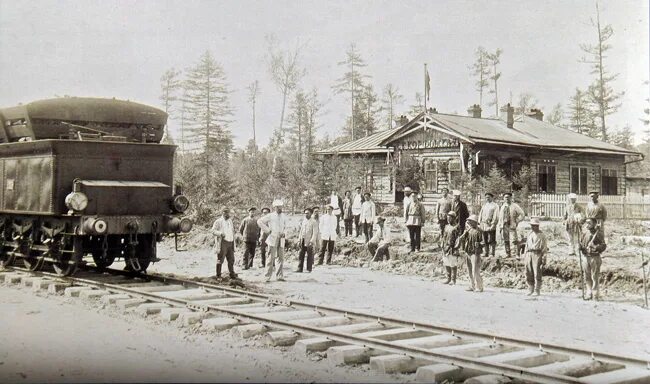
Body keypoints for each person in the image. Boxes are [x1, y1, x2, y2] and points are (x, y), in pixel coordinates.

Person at [257, 200, 288, 282]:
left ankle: (279, 276)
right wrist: (267, 230)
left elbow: (286, 226)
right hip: (273, 238)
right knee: (270, 258)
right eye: (278, 207)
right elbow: (259, 221)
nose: (280, 208)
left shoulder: (284, 216)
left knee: (280, 258)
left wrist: (284, 233)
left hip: (281, 238)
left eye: (281, 207)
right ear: (275, 207)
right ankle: (267, 276)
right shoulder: (270, 216)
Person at [579, 218, 607, 300]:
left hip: (594, 257)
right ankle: (589, 292)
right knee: (587, 276)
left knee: (594, 276)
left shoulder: (598, 234)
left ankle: (595, 294)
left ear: (594, 224)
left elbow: (603, 246)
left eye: (589, 223)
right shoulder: (584, 234)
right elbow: (581, 244)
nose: (587, 225)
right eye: (586, 223)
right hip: (585, 257)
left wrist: (596, 247)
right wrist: (580, 247)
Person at [523, 218, 548, 296]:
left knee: (537, 272)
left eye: (534, 226)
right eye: (532, 225)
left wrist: (544, 259)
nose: (533, 227)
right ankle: (530, 288)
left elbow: (544, 248)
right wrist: (525, 255)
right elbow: (526, 245)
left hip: (537, 254)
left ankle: (537, 290)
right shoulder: (530, 234)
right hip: (529, 253)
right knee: (528, 272)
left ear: (538, 226)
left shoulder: (542, 235)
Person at [459, 214, 483, 292]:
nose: (469, 223)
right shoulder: (468, 231)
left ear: (475, 222)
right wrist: (464, 233)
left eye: (471, 222)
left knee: (475, 270)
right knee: (469, 270)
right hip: (468, 251)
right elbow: (462, 239)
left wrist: (479, 244)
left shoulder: (479, 231)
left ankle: (479, 287)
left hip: (475, 253)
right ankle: (472, 285)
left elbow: (484, 242)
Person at [211, 207, 237, 279]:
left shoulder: (230, 221)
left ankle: (232, 274)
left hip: (230, 242)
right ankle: (218, 275)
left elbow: (232, 231)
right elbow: (213, 231)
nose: (227, 214)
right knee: (220, 259)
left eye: (228, 212)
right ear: (222, 213)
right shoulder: (218, 221)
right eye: (225, 212)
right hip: (223, 242)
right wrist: (220, 233)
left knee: (231, 259)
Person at [497, 192, 525, 258]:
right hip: (504, 226)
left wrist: (517, 220)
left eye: (508, 197)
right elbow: (500, 217)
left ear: (511, 198)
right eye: (505, 197)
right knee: (506, 240)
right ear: (503, 198)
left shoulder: (515, 206)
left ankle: (514, 254)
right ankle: (507, 253)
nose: (507, 199)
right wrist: (500, 226)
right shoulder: (503, 206)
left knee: (513, 240)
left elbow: (522, 214)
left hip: (512, 225)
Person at [441, 211, 462, 285]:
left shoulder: (457, 227)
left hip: (452, 247)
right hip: (445, 247)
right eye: (447, 218)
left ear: (453, 218)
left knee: (453, 263)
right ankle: (448, 278)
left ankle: (453, 280)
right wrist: (442, 244)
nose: (448, 219)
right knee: (446, 262)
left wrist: (456, 247)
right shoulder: (446, 226)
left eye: (450, 218)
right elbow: (443, 236)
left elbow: (458, 238)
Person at [296, 208, 318, 273]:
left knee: (309, 255)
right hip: (303, 239)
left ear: (311, 213)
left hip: (309, 241)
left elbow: (315, 233)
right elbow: (301, 231)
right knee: (301, 254)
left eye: (307, 213)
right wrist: (299, 240)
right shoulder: (304, 221)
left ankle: (309, 268)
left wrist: (312, 241)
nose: (306, 215)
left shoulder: (314, 222)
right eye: (305, 213)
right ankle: (300, 268)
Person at [478, 192, 499, 257]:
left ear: (492, 198)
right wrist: (479, 223)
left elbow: (496, 216)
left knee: (492, 239)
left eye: (489, 197)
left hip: (490, 224)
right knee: (485, 239)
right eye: (486, 197)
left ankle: (492, 253)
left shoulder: (495, 206)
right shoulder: (484, 205)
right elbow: (480, 214)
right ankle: (486, 252)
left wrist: (493, 224)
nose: (487, 199)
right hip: (483, 225)